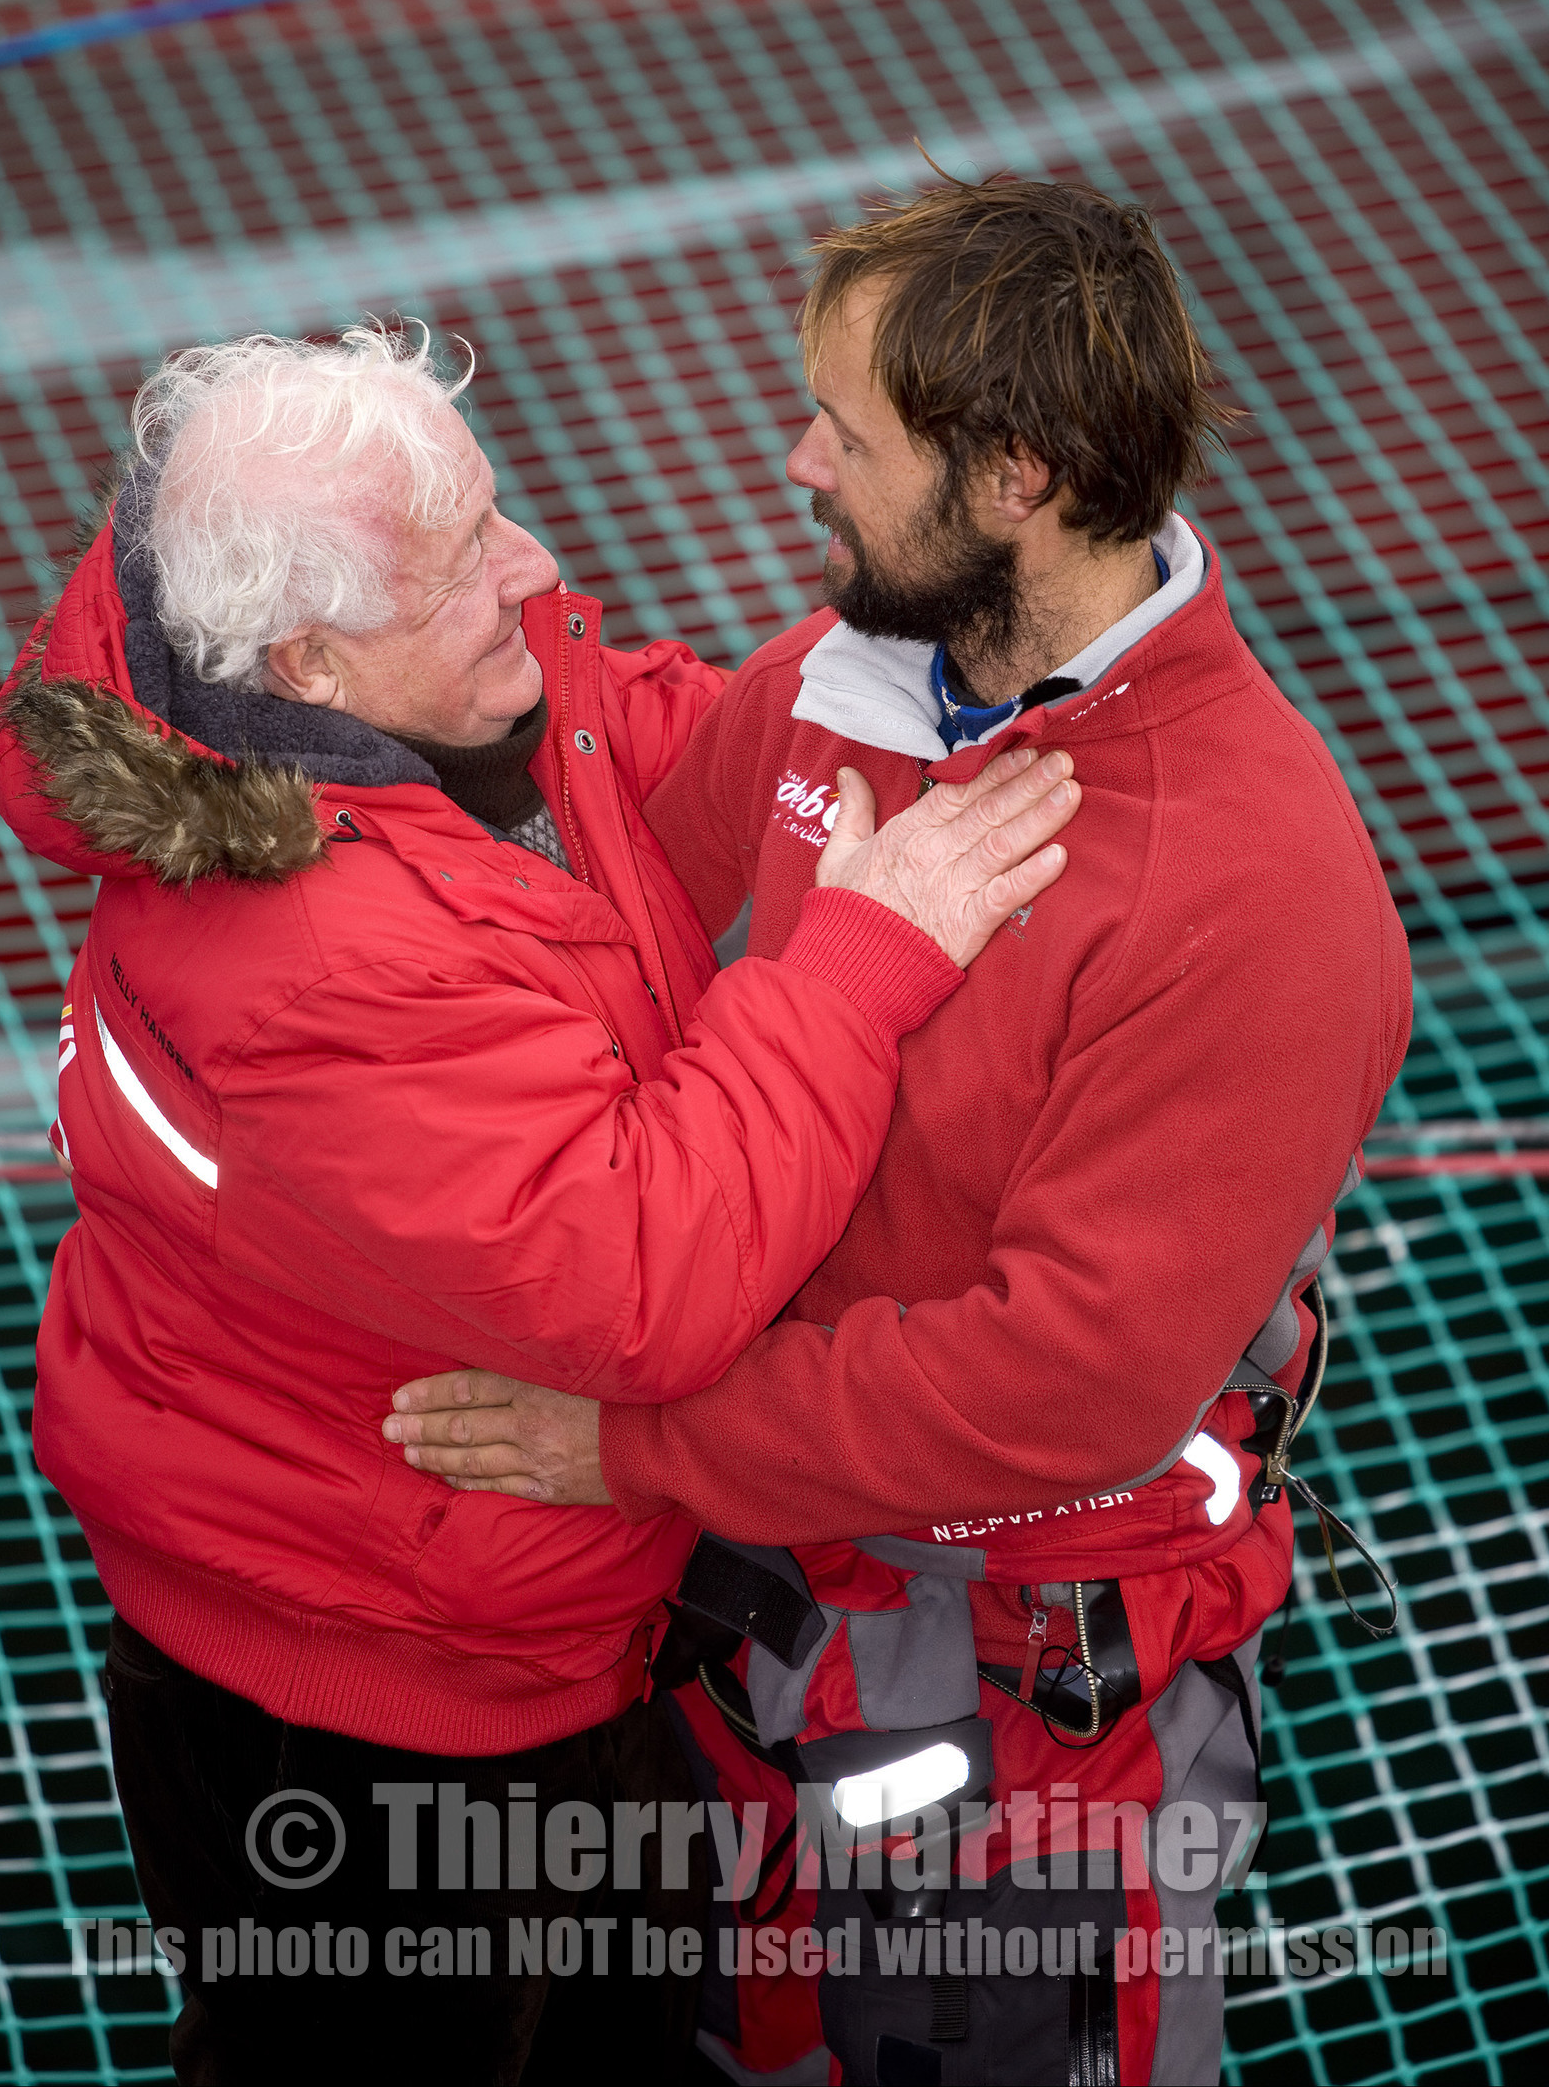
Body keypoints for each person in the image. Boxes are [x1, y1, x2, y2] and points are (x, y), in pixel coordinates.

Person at [383, 180, 1413, 2087]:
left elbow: (1064, 1381)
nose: (796, 465)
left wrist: (636, 1445)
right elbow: (632, 907)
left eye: (846, 434)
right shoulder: (841, 684)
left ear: (1015, 473)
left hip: (1025, 1713)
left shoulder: (1251, 887)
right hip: (760, 1611)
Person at [0, 322, 1082, 2085]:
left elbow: (665, 747)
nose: (538, 570)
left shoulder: (422, 701)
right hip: (367, 1721)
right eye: (468, 562)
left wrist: (893, 662)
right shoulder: (313, 967)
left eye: (497, 515)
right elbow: (648, 1279)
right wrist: (866, 962)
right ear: (313, 657)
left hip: (504, 1626)